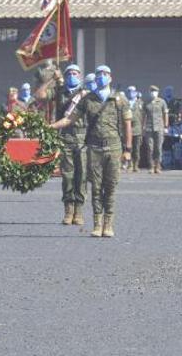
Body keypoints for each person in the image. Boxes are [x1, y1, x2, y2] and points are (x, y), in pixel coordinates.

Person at [51, 65, 132, 238]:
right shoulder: (88, 100)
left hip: (114, 147)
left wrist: (128, 149)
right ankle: (97, 223)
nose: (101, 77)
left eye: (105, 74)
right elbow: (69, 119)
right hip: (94, 148)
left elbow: (127, 125)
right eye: (98, 74)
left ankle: (108, 223)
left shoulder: (119, 99)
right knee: (95, 186)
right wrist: (51, 126)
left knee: (110, 186)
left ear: (110, 77)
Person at [34, 64, 90, 224]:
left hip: (83, 137)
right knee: (67, 175)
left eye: (75, 73)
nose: (72, 75)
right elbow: (40, 95)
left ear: (80, 76)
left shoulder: (85, 93)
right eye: (69, 73)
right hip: (65, 137)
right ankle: (68, 209)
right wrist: (52, 78)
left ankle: (79, 210)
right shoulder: (59, 91)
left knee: (82, 176)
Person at [142, 84, 169, 174]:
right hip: (149, 128)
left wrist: (166, 126)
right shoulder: (146, 102)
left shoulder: (162, 102)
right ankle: (151, 165)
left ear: (158, 92)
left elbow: (165, 114)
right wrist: (143, 126)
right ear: (149, 92)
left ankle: (158, 165)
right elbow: (144, 116)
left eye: (155, 91)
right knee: (150, 148)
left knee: (158, 147)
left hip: (159, 127)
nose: (153, 93)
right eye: (152, 91)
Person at [125, 86, 143, 172]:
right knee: (128, 148)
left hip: (137, 129)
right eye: (129, 91)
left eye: (132, 91)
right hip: (128, 129)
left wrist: (143, 127)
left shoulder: (140, 103)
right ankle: (130, 165)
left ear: (136, 92)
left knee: (137, 149)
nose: (130, 93)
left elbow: (143, 116)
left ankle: (136, 165)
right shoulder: (125, 103)